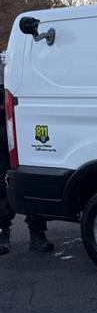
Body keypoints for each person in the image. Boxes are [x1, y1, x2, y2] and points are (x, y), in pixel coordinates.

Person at [0, 73, 53, 255]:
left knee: (33, 183)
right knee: (1, 186)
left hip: (25, 125)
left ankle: (37, 233)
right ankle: (3, 233)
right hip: (4, 129)